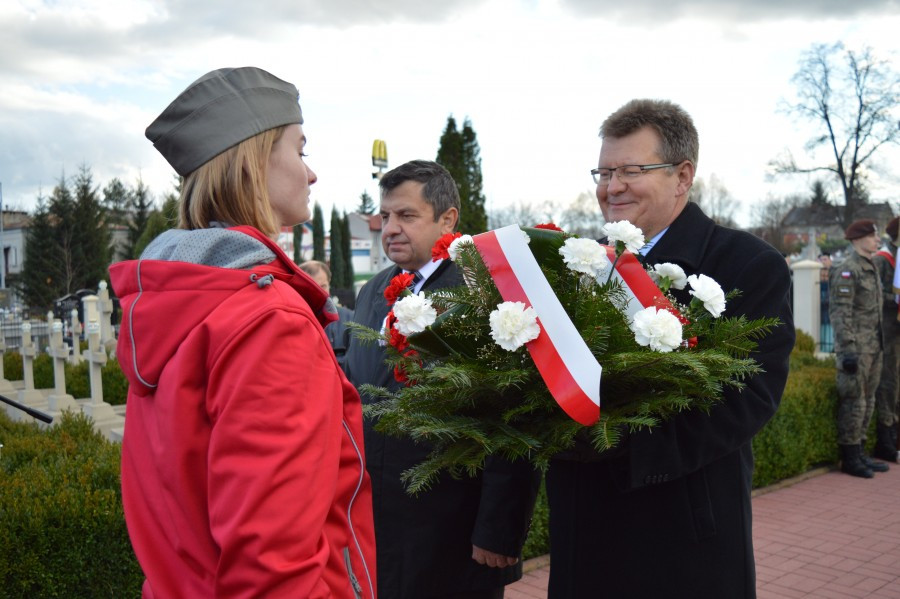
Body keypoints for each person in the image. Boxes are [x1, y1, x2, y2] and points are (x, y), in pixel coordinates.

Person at [109, 67, 376, 598]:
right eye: (300, 151)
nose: (312, 173)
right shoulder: (269, 321)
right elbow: (271, 563)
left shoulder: (178, 297)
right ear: (256, 161)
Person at [546, 99, 795, 598]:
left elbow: (745, 400)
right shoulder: (579, 265)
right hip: (582, 531)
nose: (611, 187)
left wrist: (613, 444)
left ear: (683, 176)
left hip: (682, 532)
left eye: (631, 171)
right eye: (603, 171)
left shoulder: (748, 265)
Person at [343, 159, 539, 598]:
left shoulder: (486, 293)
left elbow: (515, 415)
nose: (390, 227)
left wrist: (499, 527)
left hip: (453, 529)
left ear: (447, 219)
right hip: (378, 520)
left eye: (407, 216)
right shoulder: (372, 290)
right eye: (387, 215)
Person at [831, 219, 889, 477]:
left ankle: (861, 451)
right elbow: (840, 313)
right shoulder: (847, 269)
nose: (877, 240)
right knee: (855, 401)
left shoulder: (871, 266)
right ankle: (850, 455)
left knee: (869, 400)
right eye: (872, 236)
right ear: (857, 239)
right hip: (856, 348)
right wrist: (848, 350)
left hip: (874, 346)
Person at [872, 217, 900, 462]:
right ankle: (886, 435)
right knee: (889, 382)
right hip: (887, 332)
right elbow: (877, 295)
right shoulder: (883, 260)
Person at [299, 260, 354, 370]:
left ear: (329, 284)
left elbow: (356, 362)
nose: (319, 292)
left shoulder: (349, 318)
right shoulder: (291, 322)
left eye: (323, 286)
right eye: (311, 287)